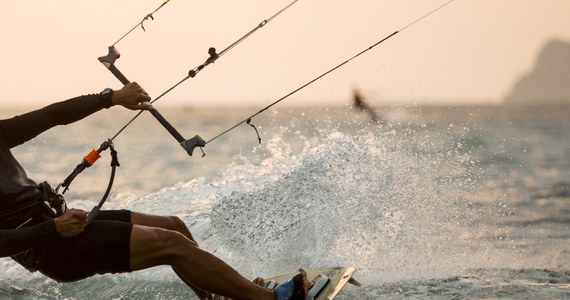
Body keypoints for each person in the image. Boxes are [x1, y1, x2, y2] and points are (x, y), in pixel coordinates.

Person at [0, 82, 308, 300]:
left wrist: (111, 97)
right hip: (53, 248)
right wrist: (53, 227)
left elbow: (52, 116)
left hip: (63, 225)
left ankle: (216, 297)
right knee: (172, 245)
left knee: (175, 226)